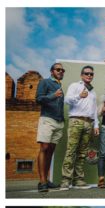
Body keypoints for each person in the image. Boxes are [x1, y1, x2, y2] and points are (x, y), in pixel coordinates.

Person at [61, 65, 99, 190]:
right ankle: (66, 180)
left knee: (82, 153)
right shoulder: (75, 86)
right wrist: (79, 96)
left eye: (91, 74)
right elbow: (66, 100)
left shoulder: (93, 92)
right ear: (82, 75)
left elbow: (94, 110)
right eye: (87, 73)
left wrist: (96, 125)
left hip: (89, 123)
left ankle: (79, 180)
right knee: (71, 151)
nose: (89, 75)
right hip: (76, 120)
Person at [35, 63, 65, 192]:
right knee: (44, 148)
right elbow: (38, 99)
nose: (61, 72)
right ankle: (42, 182)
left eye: (62, 70)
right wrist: (53, 96)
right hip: (47, 119)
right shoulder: (45, 82)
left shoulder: (59, 85)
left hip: (59, 122)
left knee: (51, 151)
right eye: (58, 69)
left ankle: (46, 180)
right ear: (52, 71)